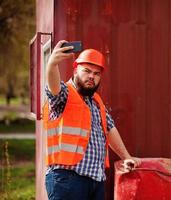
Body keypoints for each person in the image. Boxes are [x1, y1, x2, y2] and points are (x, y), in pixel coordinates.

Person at [43, 40, 141, 200]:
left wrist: (126, 157)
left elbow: (109, 129)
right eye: (87, 71)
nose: (91, 77)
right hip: (68, 180)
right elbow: (53, 88)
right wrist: (52, 65)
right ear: (75, 70)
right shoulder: (64, 95)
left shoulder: (96, 102)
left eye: (96, 74)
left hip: (95, 180)